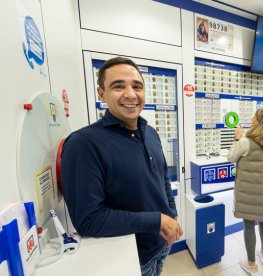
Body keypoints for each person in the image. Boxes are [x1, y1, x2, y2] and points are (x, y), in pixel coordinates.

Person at [61, 56, 183, 276]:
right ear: (101, 94)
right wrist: (157, 220)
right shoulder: (83, 144)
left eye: (137, 86)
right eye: (118, 86)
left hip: (161, 246)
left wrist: (171, 215)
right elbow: (88, 220)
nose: (130, 94)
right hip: (128, 259)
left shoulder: (150, 133)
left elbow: (162, 179)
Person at [227, 108, 263, 276]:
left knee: (248, 224)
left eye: (254, 116)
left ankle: (251, 265)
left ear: (259, 122)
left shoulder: (246, 141)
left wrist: (237, 138)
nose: (252, 118)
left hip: (248, 193)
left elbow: (231, 157)